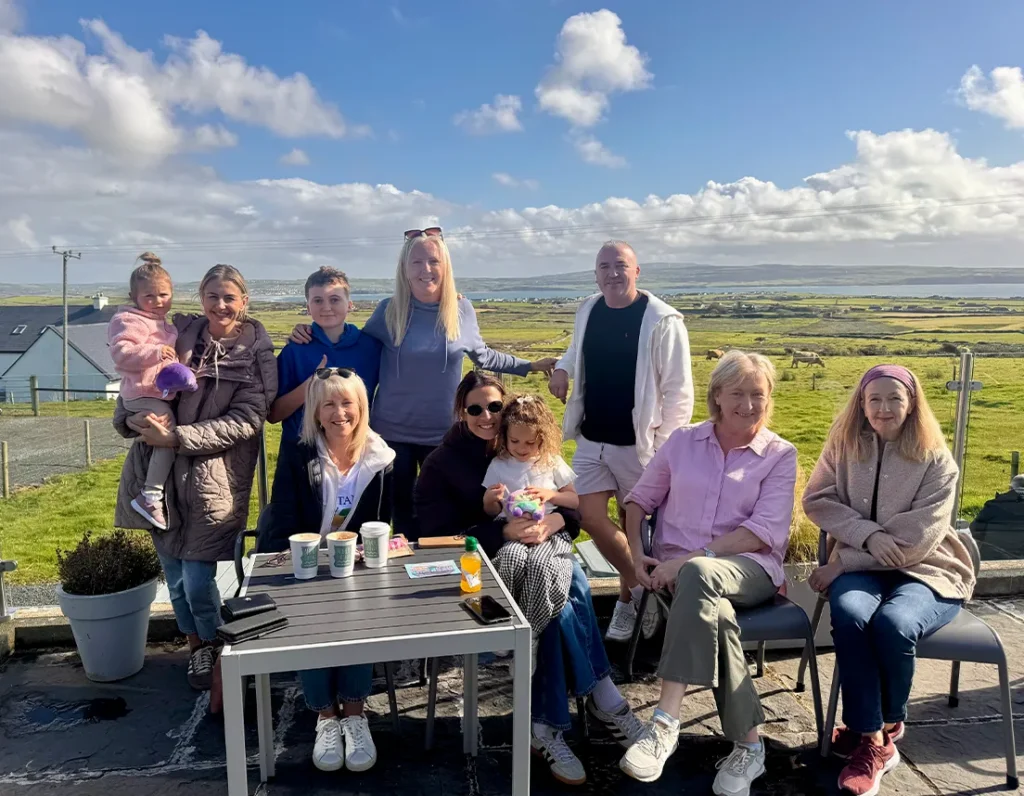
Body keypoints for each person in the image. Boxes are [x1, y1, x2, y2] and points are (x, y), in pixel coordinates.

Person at [415, 372, 643, 787]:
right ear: (460, 411)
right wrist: (500, 531)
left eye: (495, 407)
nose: (486, 416)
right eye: (475, 408)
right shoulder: (443, 463)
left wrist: (554, 517)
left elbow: (571, 508)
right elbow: (433, 537)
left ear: (511, 409)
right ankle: (595, 700)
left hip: (540, 547)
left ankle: (549, 726)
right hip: (478, 570)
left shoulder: (531, 451)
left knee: (563, 581)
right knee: (568, 591)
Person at [290, 228, 556, 539]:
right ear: (404, 268)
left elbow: (483, 356)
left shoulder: (462, 310)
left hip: (443, 436)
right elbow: (352, 342)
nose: (425, 270)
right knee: (398, 516)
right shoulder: (390, 310)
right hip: (391, 435)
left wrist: (530, 365)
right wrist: (310, 330)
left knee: (443, 515)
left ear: (445, 267)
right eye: (416, 262)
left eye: (433, 261)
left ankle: (440, 578)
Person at [619, 351, 797, 795]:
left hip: (748, 570)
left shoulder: (779, 455)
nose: (749, 403)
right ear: (717, 395)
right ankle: (750, 747)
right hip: (678, 574)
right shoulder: (683, 441)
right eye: (737, 393)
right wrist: (638, 553)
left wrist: (694, 556)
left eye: (758, 394)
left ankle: (664, 724)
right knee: (715, 616)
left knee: (700, 571)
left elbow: (761, 533)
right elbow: (639, 501)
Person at [803, 364, 975, 796]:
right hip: (865, 563)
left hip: (928, 569)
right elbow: (817, 499)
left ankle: (880, 730)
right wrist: (869, 535)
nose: (884, 408)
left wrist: (843, 563)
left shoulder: (937, 459)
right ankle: (872, 735)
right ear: (861, 404)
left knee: (894, 624)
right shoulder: (844, 446)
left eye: (894, 399)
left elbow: (915, 543)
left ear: (912, 403)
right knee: (850, 613)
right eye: (874, 399)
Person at [113, 264, 278, 695]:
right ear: (200, 298)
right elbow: (134, 384)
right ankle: (198, 647)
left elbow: (248, 419)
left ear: (244, 300)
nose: (220, 305)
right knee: (176, 579)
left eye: (229, 297)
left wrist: (178, 436)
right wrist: (133, 420)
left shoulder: (255, 350)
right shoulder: (178, 335)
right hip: (158, 480)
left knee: (199, 581)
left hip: (213, 480)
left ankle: (220, 646)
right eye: (212, 296)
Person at [549, 240, 694, 643]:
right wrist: (561, 369)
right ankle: (641, 588)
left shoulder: (663, 320)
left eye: (621, 266)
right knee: (590, 516)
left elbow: (680, 393)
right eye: (604, 266)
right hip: (591, 439)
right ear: (595, 274)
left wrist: (665, 449)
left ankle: (629, 604)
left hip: (640, 447)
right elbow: (575, 351)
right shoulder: (589, 309)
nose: (612, 273)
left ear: (637, 271)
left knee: (640, 530)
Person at [259, 369, 392, 774]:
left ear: (361, 407)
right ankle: (326, 718)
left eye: (347, 402)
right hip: (306, 564)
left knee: (359, 614)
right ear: (315, 411)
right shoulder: (300, 454)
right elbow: (282, 517)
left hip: (358, 567)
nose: (339, 413)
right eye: (329, 404)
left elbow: (388, 523)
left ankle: (355, 713)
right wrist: (312, 559)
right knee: (315, 617)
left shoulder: (382, 458)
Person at [483, 393, 578, 643]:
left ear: (542, 440)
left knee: (540, 566)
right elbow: (491, 512)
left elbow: (574, 500)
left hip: (550, 533)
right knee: (509, 559)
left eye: (530, 443)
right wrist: (491, 500)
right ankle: (503, 626)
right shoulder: (499, 464)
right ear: (504, 436)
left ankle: (529, 636)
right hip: (513, 531)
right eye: (515, 441)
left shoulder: (551, 462)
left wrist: (551, 495)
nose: (522, 449)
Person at [268, 266, 381, 471]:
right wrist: (311, 385)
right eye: (318, 300)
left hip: (355, 453)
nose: (326, 307)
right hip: (300, 453)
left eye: (335, 299)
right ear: (308, 307)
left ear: (350, 305)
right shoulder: (295, 350)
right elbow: (274, 414)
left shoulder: (372, 348)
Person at [107, 252, 180, 530]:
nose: (158, 301)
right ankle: (150, 495)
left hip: (154, 392)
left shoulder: (165, 323)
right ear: (134, 297)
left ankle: (152, 493)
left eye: (164, 294)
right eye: (149, 296)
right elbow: (122, 353)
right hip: (142, 393)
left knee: (163, 433)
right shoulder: (129, 320)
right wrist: (155, 352)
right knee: (166, 435)